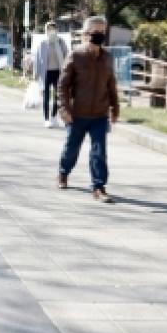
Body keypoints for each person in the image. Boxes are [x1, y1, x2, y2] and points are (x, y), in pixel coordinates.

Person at [57, 16, 119, 203]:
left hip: (99, 114)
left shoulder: (107, 57)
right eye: (95, 32)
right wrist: (64, 108)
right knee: (71, 148)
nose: (99, 35)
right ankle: (63, 172)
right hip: (77, 114)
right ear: (85, 34)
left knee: (99, 151)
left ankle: (99, 187)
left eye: (102, 31)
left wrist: (115, 108)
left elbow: (111, 84)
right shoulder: (75, 55)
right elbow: (62, 85)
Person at [31, 21, 69, 128]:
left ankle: (53, 117)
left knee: (58, 96)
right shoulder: (42, 43)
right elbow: (38, 59)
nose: (51, 30)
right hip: (46, 73)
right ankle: (46, 119)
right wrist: (35, 73)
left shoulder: (61, 42)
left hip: (58, 72)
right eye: (49, 29)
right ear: (46, 30)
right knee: (46, 97)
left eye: (53, 28)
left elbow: (67, 56)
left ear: (56, 30)